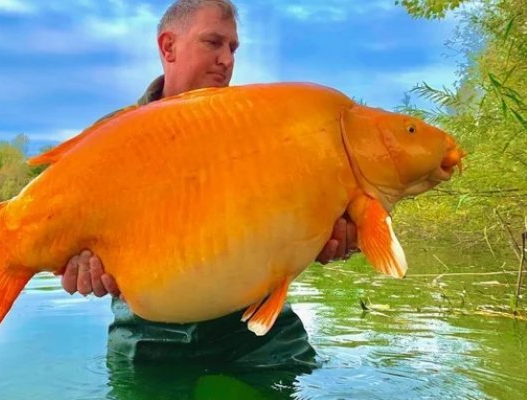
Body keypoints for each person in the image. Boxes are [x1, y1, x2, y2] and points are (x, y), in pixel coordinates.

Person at [60, 0, 358, 367]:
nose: (227, 59)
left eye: (232, 48)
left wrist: (342, 236)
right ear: (168, 47)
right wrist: (80, 267)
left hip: (260, 338)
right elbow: (72, 241)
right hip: (148, 339)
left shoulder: (263, 128)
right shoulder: (110, 140)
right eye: (213, 42)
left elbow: (314, 218)